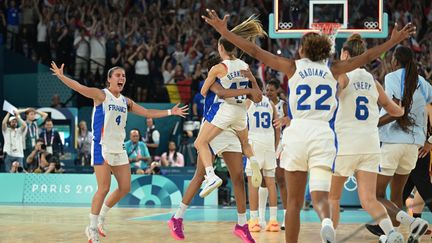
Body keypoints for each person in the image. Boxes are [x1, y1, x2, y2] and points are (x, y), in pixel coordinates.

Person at [202, 9, 415, 243]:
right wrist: (393, 41)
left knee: (293, 203)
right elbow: (365, 58)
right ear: (325, 50)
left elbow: (254, 50)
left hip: (297, 133)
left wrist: (223, 31)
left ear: (302, 50)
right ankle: (326, 221)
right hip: (323, 134)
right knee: (321, 196)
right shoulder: (334, 69)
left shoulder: (292, 66)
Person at [50, 62, 188, 243]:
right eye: (117, 75)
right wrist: (61, 76)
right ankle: (91, 227)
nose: (121, 78)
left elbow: (147, 112)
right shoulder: (101, 95)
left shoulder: (125, 101)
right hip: (102, 147)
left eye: (123, 75)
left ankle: (101, 217)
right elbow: (80, 87)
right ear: (109, 79)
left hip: (119, 148)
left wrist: (171, 111)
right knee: (104, 188)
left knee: (125, 187)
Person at [168, 55, 262, 243]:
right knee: (199, 174)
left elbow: (252, 98)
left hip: (230, 128)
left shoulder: (237, 77)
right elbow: (222, 93)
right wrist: (248, 89)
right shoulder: (212, 82)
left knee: (237, 176)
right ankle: (177, 217)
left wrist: (250, 82)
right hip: (213, 126)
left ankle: (242, 224)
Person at [328, 34, 405, 242]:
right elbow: (394, 110)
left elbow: (336, 90)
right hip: (371, 144)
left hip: (347, 144)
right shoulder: (374, 81)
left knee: (333, 197)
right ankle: (391, 233)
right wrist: (401, 109)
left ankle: (331, 237)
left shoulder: (343, 75)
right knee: (369, 199)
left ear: (346, 54)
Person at [194, 16, 266, 198]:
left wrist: (211, 83)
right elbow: (256, 95)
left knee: (200, 142)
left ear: (220, 48)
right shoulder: (245, 66)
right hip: (242, 112)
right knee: (245, 144)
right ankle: (254, 160)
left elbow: (203, 91)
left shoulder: (218, 68)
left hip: (226, 110)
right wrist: (248, 82)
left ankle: (210, 175)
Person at [365, 46, 431, 242]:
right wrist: (429, 139)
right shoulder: (423, 83)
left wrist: (373, 124)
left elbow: (396, 109)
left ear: (395, 61)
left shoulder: (392, 77)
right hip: (413, 146)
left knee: (375, 195)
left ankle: (412, 223)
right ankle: (390, 236)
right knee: (396, 197)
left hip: (393, 142)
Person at [245, 78, 281, 232]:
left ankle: (254, 220)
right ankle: (273, 221)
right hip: (269, 144)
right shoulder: (271, 104)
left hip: (255, 143)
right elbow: (277, 127)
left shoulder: (248, 103)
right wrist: (274, 145)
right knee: (271, 183)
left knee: (253, 182)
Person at [259, 79, 288, 229]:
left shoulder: (283, 105)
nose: (268, 92)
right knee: (264, 181)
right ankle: (261, 217)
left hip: (281, 144)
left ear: (277, 90)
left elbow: (291, 120)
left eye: (271, 90)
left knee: (281, 179)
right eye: (267, 90)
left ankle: (285, 218)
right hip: (265, 143)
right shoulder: (262, 103)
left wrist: (285, 120)